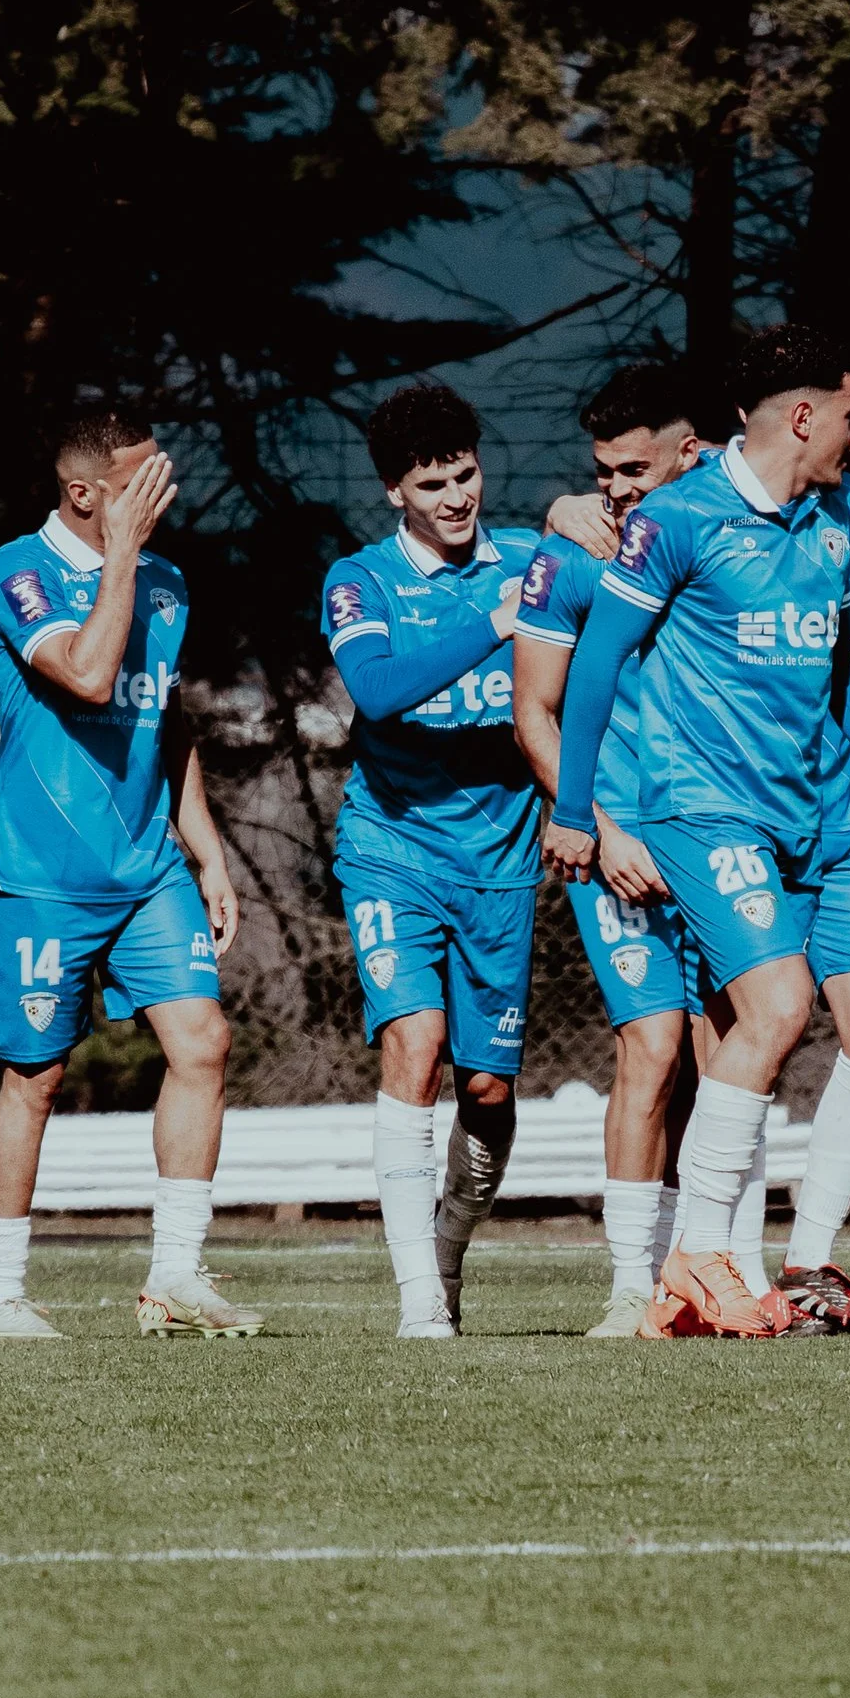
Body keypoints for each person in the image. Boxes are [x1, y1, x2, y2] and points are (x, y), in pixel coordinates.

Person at [545, 328, 850, 1338]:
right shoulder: (677, 519)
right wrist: (573, 806)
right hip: (707, 806)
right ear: (802, 416)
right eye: (849, 413)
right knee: (771, 1009)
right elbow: (592, 668)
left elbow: (847, 663)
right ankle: (702, 1253)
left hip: (838, 815)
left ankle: (804, 1264)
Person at [0, 408, 249, 1341]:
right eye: (138, 483)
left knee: (203, 1043)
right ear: (85, 495)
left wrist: (205, 852)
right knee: (34, 1079)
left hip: (147, 868)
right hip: (42, 877)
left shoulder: (167, 583)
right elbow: (88, 676)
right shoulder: (18, 571)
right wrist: (119, 558)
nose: (159, 493)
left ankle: (175, 1276)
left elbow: (159, 723)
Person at [321, 384, 543, 1339]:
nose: (457, 496)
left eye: (466, 474)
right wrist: (491, 621)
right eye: (431, 483)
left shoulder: (535, 559)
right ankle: (418, 1296)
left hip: (502, 860)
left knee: (487, 1092)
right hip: (392, 848)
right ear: (392, 492)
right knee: (411, 1042)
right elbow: (373, 690)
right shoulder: (359, 581)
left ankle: (450, 1237)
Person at [512, 368, 705, 1334]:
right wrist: (600, 824)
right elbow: (533, 713)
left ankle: (717, 1270)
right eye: (603, 472)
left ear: (693, 454)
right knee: (653, 1048)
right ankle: (633, 1284)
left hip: (724, 836)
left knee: (733, 1050)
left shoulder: (736, 539)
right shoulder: (572, 555)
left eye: (637, 468)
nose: (620, 489)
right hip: (618, 841)